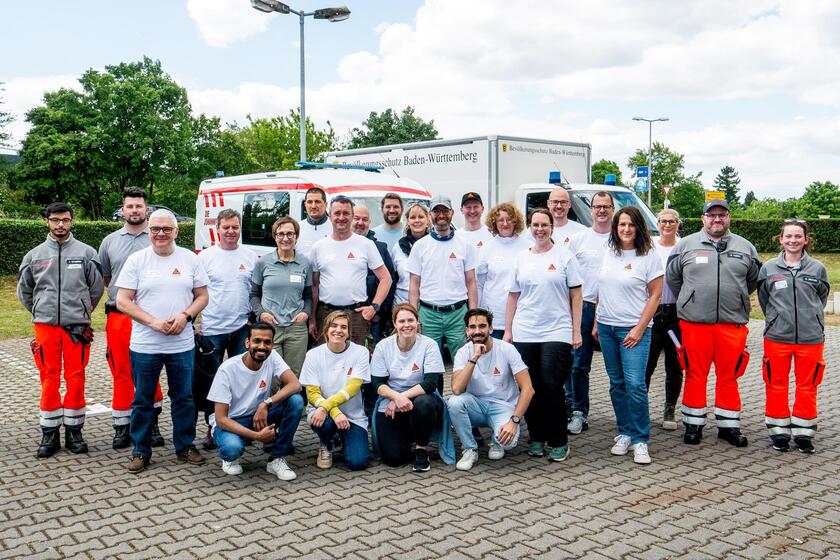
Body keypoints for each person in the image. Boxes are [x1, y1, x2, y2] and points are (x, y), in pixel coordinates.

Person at [116, 209, 210, 473]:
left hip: (181, 344)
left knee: (184, 398)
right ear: (148, 231)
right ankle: (140, 450)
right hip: (145, 344)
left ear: (176, 232)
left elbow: (202, 296)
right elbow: (123, 301)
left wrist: (186, 316)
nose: (161, 234)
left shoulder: (190, 259)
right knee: (143, 400)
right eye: (156, 229)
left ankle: (185, 446)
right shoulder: (137, 261)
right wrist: (152, 322)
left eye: (167, 229)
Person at [666, 199, 761, 447]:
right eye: (712, 215)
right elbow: (674, 279)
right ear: (703, 218)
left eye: (722, 215)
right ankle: (693, 425)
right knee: (695, 373)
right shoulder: (685, 246)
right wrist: (692, 299)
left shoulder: (746, 247)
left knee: (729, 375)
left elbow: (752, 282)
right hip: (694, 324)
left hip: (732, 324)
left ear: (728, 217)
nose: (717, 219)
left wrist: (736, 297)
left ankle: (728, 427)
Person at [18, 202, 104, 458]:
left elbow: (96, 288)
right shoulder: (34, 256)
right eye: (55, 220)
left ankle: (75, 432)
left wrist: (82, 311)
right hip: (45, 327)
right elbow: (25, 290)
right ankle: (49, 433)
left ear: (72, 221)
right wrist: (40, 310)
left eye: (65, 220)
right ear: (46, 221)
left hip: (77, 327)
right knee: (49, 378)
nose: (60, 225)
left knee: (76, 377)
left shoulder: (87, 253)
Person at [504, 208, 582, 462]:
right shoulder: (521, 258)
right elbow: (513, 296)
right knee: (530, 387)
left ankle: (558, 440)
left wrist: (576, 330)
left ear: (552, 227)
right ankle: (536, 437)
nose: (540, 229)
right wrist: (508, 330)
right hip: (525, 330)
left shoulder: (565, 257)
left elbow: (576, 295)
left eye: (544, 225)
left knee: (551, 385)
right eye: (535, 225)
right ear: (529, 227)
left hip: (556, 330)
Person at [595, 206, 663, 465]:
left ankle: (640, 439)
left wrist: (639, 327)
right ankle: (624, 432)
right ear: (615, 227)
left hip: (633, 329)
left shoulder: (648, 256)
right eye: (621, 224)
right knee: (617, 384)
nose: (626, 229)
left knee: (635, 385)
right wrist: (598, 320)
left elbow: (656, 295)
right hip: (606, 327)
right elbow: (603, 287)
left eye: (631, 225)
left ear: (639, 227)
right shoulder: (608, 252)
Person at [98, 187, 165, 449]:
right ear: (122, 209)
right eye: (130, 206)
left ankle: (152, 425)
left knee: (150, 371)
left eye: (139, 206)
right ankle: (122, 427)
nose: (135, 210)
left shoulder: (159, 238)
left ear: (146, 209)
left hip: (151, 317)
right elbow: (106, 278)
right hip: (120, 316)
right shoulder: (110, 241)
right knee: (121, 371)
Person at [758, 220, 829, 453]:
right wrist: (778, 319)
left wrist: (812, 320)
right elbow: (764, 299)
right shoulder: (768, 269)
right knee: (775, 384)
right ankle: (778, 432)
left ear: (806, 239)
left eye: (798, 236)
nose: (793, 240)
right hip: (777, 338)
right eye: (788, 236)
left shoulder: (818, 268)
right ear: (780, 239)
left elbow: (821, 298)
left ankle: (803, 433)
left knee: (807, 385)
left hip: (811, 339)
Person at [208, 322, 304, 480]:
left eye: (267, 342)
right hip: (231, 422)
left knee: (296, 401)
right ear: (247, 343)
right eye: (257, 341)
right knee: (232, 449)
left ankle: (276, 459)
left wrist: (266, 403)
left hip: (259, 416)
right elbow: (221, 419)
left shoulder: (272, 356)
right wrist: (256, 436)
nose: (262, 346)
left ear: (272, 344)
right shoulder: (227, 369)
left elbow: (295, 384)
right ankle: (229, 458)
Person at [195, 209, 257, 447]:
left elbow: (255, 290)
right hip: (212, 330)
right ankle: (212, 428)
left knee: (242, 381)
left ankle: (241, 427)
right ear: (217, 229)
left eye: (235, 227)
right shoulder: (205, 257)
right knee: (212, 384)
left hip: (242, 328)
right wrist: (194, 322)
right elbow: (195, 291)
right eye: (226, 227)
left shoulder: (251, 256)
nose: (231, 231)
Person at [449, 308, 535, 470]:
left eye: (482, 326)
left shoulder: (507, 349)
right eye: (472, 327)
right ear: (467, 330)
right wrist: (474, 358)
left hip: (503, 406)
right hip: (476, 405)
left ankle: (496, 442)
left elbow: (528, 389)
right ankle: (469, 449)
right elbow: (457, 389)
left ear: (491, 328)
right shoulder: (463, 352)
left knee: (508, 443)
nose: (477, 331)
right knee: (454, 403)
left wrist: (514, 421)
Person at [371, 304, 453, 472]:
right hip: (391, 399)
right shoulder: (383, 346)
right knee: (393, 459)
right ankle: (407, 435)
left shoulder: (429, 344)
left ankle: (421, 449)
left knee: (423, 404)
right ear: (395, 324)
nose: (406, 325)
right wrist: (395, 397)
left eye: (411, 320)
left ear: (417, 322)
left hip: (423, 397)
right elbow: (377, 384)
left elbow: (431, 383)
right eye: (401, 321)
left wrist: (401, 398)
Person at [310, 196, 392, 346]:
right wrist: (313, 319)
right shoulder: (319, 247)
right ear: (330, 216)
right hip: (326, 313)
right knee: (327, 359)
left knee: (355, 361)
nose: (341, 217)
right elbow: (314, 286)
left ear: (352, 216)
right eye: (337, 213)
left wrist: (374, 307)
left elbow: (386, 279)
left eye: (346, 213)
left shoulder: (366, 244)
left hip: (357, 315)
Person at [408, 195, 478, 366]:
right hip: (428, 314)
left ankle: (462, 393)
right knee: (429, 364)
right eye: (436, 211)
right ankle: (433, 393)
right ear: (430, 214)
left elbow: (471, 283)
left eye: (444, 211)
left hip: (458, 314)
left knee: (463, 362)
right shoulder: (420, 246)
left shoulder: (464, 244)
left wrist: (473, 317)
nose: (441, 215)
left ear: (452, 213)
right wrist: (413, 316)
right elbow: (414, 285)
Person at [566, 192, 615, 434]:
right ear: (591, 209)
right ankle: (579, 412)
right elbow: (570, 279)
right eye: (597, 206)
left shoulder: (621, 238)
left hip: (613, 308)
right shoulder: (578, 240)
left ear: (613, 209)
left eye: (606, 206)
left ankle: (623, 417)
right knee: (578, 365)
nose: (602, 211)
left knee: (616, 368)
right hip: (583, 307)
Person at [299, 311, 371, 471]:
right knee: (325, 424)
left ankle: (343, 438)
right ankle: (327, 443)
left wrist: (328, 407)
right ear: (326, 329)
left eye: (344, 327)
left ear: (349, 333)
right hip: (322, 414)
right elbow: (312, 394)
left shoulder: (361, 353)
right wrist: (334, 412)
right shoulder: (313, 355)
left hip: (352, 416)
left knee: (357, 462)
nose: (338, 330)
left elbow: (352, 389)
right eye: (334, 326)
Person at [250, 217, 312, 379]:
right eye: (281, 234)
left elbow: (308, 295)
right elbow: (254, 295)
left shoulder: (305, 263)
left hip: (296, 329)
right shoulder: (263, 263)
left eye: (290, 234)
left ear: (296, 237)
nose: (285, 238)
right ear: (275, 236)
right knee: (271, 374)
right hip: (270, 327)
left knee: (294, 374)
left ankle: (292, 404)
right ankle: (271, 404)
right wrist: (261, 314)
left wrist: (306, 312)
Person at [644, 209, 683, 430]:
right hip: (653, 311)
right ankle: (642, 410)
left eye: (672, 221)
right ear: (657, 224)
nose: (667, 225)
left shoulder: (683, 246)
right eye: (663, 221)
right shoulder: (649, 246)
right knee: (647, 365)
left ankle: (670, 410)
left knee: (675, 366)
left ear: (678, 224)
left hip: (676, 313)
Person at [476, 203, 531, 339]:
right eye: (501, 220)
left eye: (509, 219)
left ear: (516, 221)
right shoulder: (486, 248)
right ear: (494, 223)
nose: (505, 224)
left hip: (521, 317)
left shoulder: (528, 247)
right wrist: (478, 313)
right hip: (494, 316)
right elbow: (479, 284)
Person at [353, 205, 397, 345]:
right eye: (357, 218)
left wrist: (378, 312)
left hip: (374, 318)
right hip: (349, 313)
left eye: (365, 219)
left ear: (369, 222)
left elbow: (391, 282)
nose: (360, 223)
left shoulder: (380, 248)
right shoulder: (340, 246)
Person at [391, 203, 430, 306]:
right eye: (413, 217)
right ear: (408, 222)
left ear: (428, 221)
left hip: (428, 304)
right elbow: (393, 278)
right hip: (402, 303)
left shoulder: (435, 246)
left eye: (421, 217)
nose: (417, 220)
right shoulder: (397, 248)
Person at [296, 187, 332, 259]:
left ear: (326, 205)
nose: (313, 206)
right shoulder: (297, 228)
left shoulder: (335, 227)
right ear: (305, 204)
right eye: (309, 202)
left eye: (317, 202)